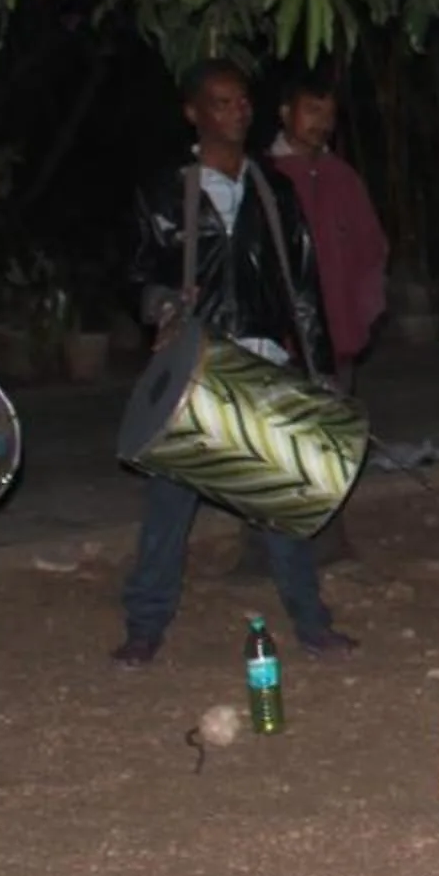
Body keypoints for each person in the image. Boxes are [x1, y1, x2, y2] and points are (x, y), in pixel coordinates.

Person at [112, 61, 355, 668]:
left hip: (264, 360)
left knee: (280, 498)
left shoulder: (273, 188)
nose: (237, 112)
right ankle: (145, 627)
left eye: (242, 101)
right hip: (200, 364)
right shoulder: (168, 191)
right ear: (193, 113)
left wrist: (319, 371)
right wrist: (162, 304)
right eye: (221, 103)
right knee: (171, 505)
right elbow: (138, 273)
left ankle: (311, 623)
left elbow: (302, 285)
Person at [266, 78, 388, 396]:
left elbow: (371, 248)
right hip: (282, 342)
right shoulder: (265, 178)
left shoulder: (343, 178)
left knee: (336, 428)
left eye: (329, 114)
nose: (322, 123)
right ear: (284, 112)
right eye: (312, 111)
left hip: (339, 334)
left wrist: (363, 314)